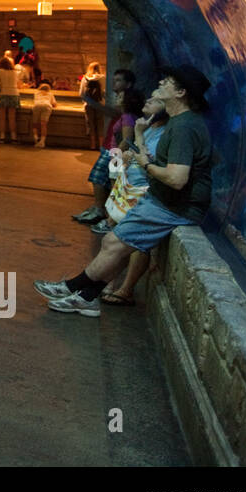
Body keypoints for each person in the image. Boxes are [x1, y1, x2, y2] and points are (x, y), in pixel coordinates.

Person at [36, 65, 213, 316]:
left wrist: (146, 165)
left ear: (181, 92)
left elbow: (176, 178)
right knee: (114, 244)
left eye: (169, 81)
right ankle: (86, 296)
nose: (161, 82)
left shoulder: (183, 127)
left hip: (174, 206)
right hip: (164, 200)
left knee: (112, 243)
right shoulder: (180, 122)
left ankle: (72, 287)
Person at [93, 95, 171, 304]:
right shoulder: (149, 127)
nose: (149, 99)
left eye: (155, 99)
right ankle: (108, 283)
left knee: (135, 244)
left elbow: (146, 158)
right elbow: (134, 151)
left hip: (142, 190)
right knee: (119, 239)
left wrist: (131, 153)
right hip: (130, 186)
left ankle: (124, 288)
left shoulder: (161, 131)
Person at [72, 69, 137, 223]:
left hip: (114, 150)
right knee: (107, 180)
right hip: (112, 147)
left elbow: (125, 133)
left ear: (129, 84)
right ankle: (105, 212)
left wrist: (91, 101)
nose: (115, 84)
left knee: (100, 178)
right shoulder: (124, 106)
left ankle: (104, 213)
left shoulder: (127, 110)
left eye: (119, 80)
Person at [0, 55, 21, 143]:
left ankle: (2, 137)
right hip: (14, 94)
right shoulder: (15, 72)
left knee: (2, 117)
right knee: (12, 117)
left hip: (2, 94)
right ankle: (14, 137)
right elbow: (19, 85)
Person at [79, 62, 105, 149]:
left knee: (91, 124)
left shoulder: (85, 78)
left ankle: (93, 145)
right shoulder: (104, 78)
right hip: (100, 105)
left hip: (89, 104)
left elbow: (81, 93)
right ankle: (101, 145)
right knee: (100, 124)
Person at [31, 82, 56, 147]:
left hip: (37, 106)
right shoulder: (50, 94)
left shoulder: (36, 93)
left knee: (35, 123)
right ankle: (42, 141)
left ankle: (36, 138)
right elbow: (54, 104)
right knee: (43, 124)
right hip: (46, 106)